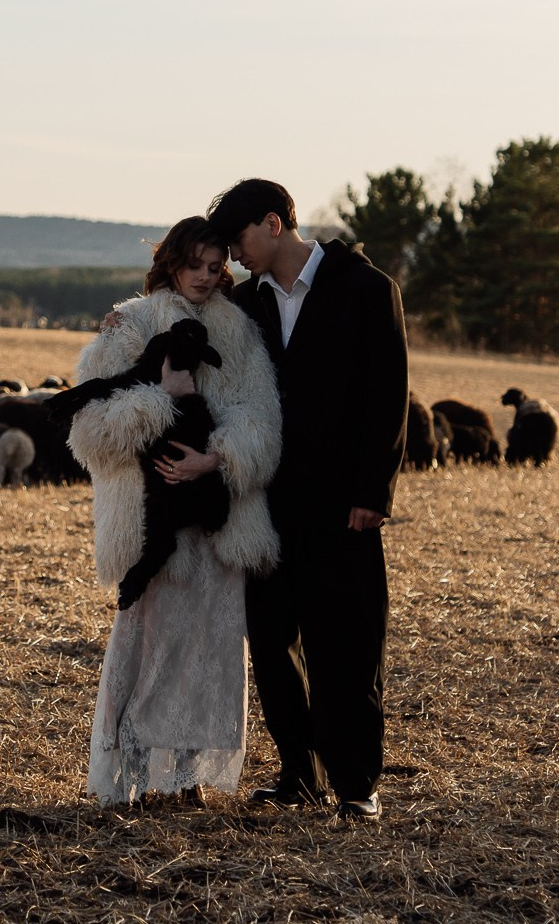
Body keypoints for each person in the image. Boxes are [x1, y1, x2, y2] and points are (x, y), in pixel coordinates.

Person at [197, 178, 408, 820]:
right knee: (270, 643)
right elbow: (180, 310)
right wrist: (126, 318)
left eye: (239, 242)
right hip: (264, 504)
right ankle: (299, 773)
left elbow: (388, 397)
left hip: (344, 505)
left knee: (344, 644)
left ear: (273, 223)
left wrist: (374, 491)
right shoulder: (245, 305)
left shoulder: (369, 290)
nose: (234, 259)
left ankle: (356, 786)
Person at [66, 216, 284, 806]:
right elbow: (89, 430)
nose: (207, 277)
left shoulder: (237, 332)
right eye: (195, 265)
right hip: (152, 516)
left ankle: (185, 777)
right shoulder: (130, 325)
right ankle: (137, 772)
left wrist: (214, 459)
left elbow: (261, 418)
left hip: (218, 518)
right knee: (151, 646)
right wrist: (161, 400)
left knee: (209, 650)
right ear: (171, 262)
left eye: (217, 268)